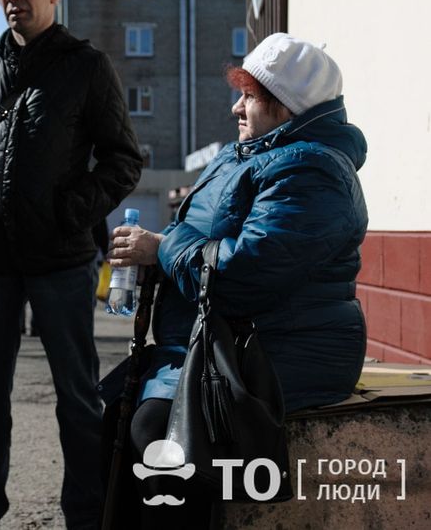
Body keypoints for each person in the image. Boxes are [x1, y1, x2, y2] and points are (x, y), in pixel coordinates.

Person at [110, 33, 368, 527]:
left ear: (286, 106)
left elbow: (243, 276)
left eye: (249, 96)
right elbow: (206, 240)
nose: (236, 108)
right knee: (112, 409)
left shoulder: (312, 171)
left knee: (159, 436)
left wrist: (162, 248)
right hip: (220, 342)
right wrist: (159, 256)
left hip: (280, 349)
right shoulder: (244, 155)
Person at [0, 0, 144, 530]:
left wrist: (70, 212)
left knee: (78, 400)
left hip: (61, 260)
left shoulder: (86, 66)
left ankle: (86, 516)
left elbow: (123, 159)